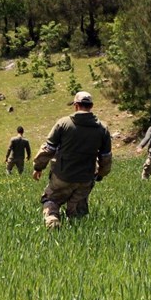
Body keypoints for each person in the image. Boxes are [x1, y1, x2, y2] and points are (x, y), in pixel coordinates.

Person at [32, 91, 112, 229]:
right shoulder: (102, 129)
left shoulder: (63, 124)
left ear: (75, 105)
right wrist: (100, 174)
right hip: (86, 178)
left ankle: (52, 222)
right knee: (78, 210)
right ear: (91, 106)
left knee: (51, 200)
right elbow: (106, 157)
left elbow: (48, 149)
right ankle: (79, 234)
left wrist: (38, 167)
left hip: (62, 175)